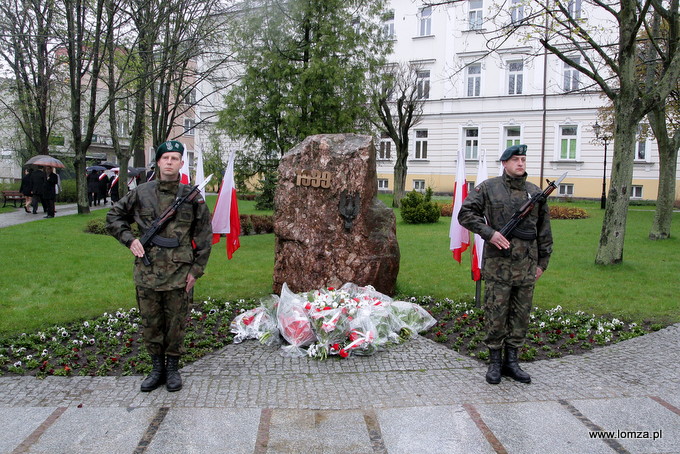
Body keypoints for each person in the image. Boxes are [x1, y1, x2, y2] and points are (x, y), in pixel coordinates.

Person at [106, 140, 212, 393]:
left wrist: (196, 271)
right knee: (151, 323)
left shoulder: (191, 197)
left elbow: (204, 236)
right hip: (148, 271)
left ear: (181, 163)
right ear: (158, 162)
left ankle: (173, 369)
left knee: (176, 324)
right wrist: (129, 239)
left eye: (175, 158)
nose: (169, 162)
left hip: (179, 274)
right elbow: (114, 216)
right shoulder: (142, 192)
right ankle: (156, 368)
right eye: (165, 158)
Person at [458, 144, 553, 385]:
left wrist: (542, 263)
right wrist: (489, 233)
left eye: (523, 159)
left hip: (526, 266)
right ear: (504, 163)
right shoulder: (489, 189)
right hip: (498, 266)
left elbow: (544, 231)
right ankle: (494, 363)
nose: (520, 164)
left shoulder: (535, 193)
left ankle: (512, 362)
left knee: (521, 315)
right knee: (496, 314)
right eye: (515, 160)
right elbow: (466, 213)